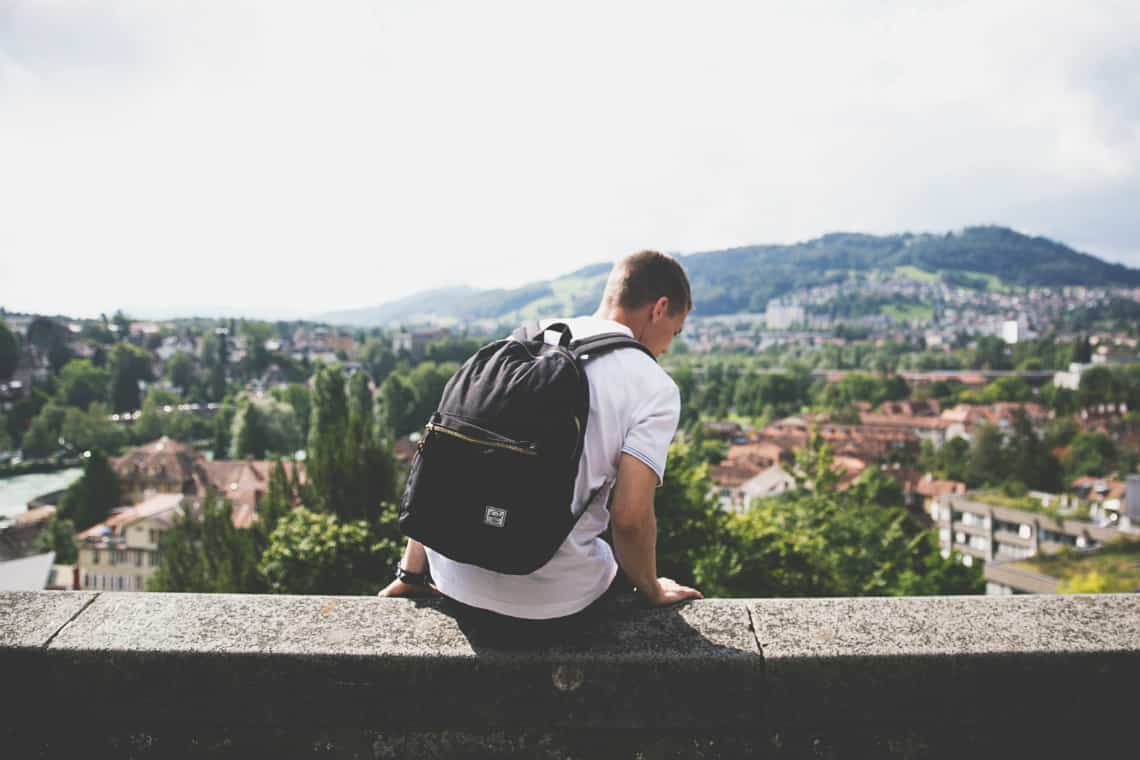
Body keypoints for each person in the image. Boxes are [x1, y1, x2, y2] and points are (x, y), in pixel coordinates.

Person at [378, 250, 703, 629]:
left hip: (452, 578)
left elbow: (450, 456)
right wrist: (653, 589)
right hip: (553, 603)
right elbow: (630, 519)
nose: (667, 346)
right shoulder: (653, 386)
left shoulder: (520, 340)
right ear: (659, 308)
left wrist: (411, 574)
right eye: (675, 332)